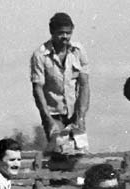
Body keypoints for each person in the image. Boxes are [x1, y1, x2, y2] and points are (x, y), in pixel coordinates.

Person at [30, 12, 89, 151]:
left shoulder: (78, 51)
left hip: (75, 113)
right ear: (52, 32)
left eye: (68, 33)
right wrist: (48, 119)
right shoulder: (40, 55)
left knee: (80, 151)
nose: (65, 37)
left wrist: (80, 116)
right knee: (61, 151)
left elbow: (84, 85)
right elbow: (38, 89)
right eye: (61, 33)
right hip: (53, 114)